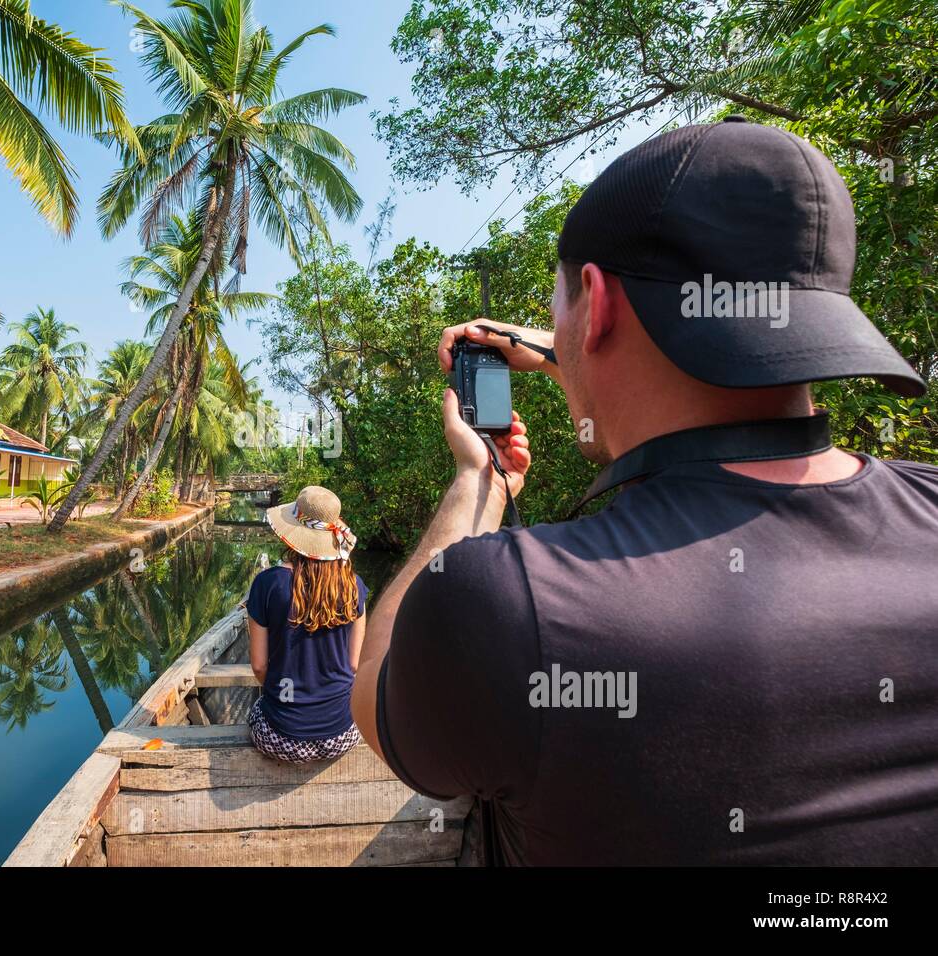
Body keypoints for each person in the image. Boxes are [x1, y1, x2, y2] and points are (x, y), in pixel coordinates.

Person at [351, 116, 938, 865]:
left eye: (561, 308)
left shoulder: (504, 605)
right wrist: (570, 342)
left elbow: (372, 682)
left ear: (595, 303)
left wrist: (478, 480)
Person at [246, 485, 367, 763]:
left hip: (282, 737)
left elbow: (260, 666)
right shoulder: (355, 586)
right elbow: (353, 665)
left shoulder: (267, 584)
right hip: (342, 734)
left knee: (256, 711)